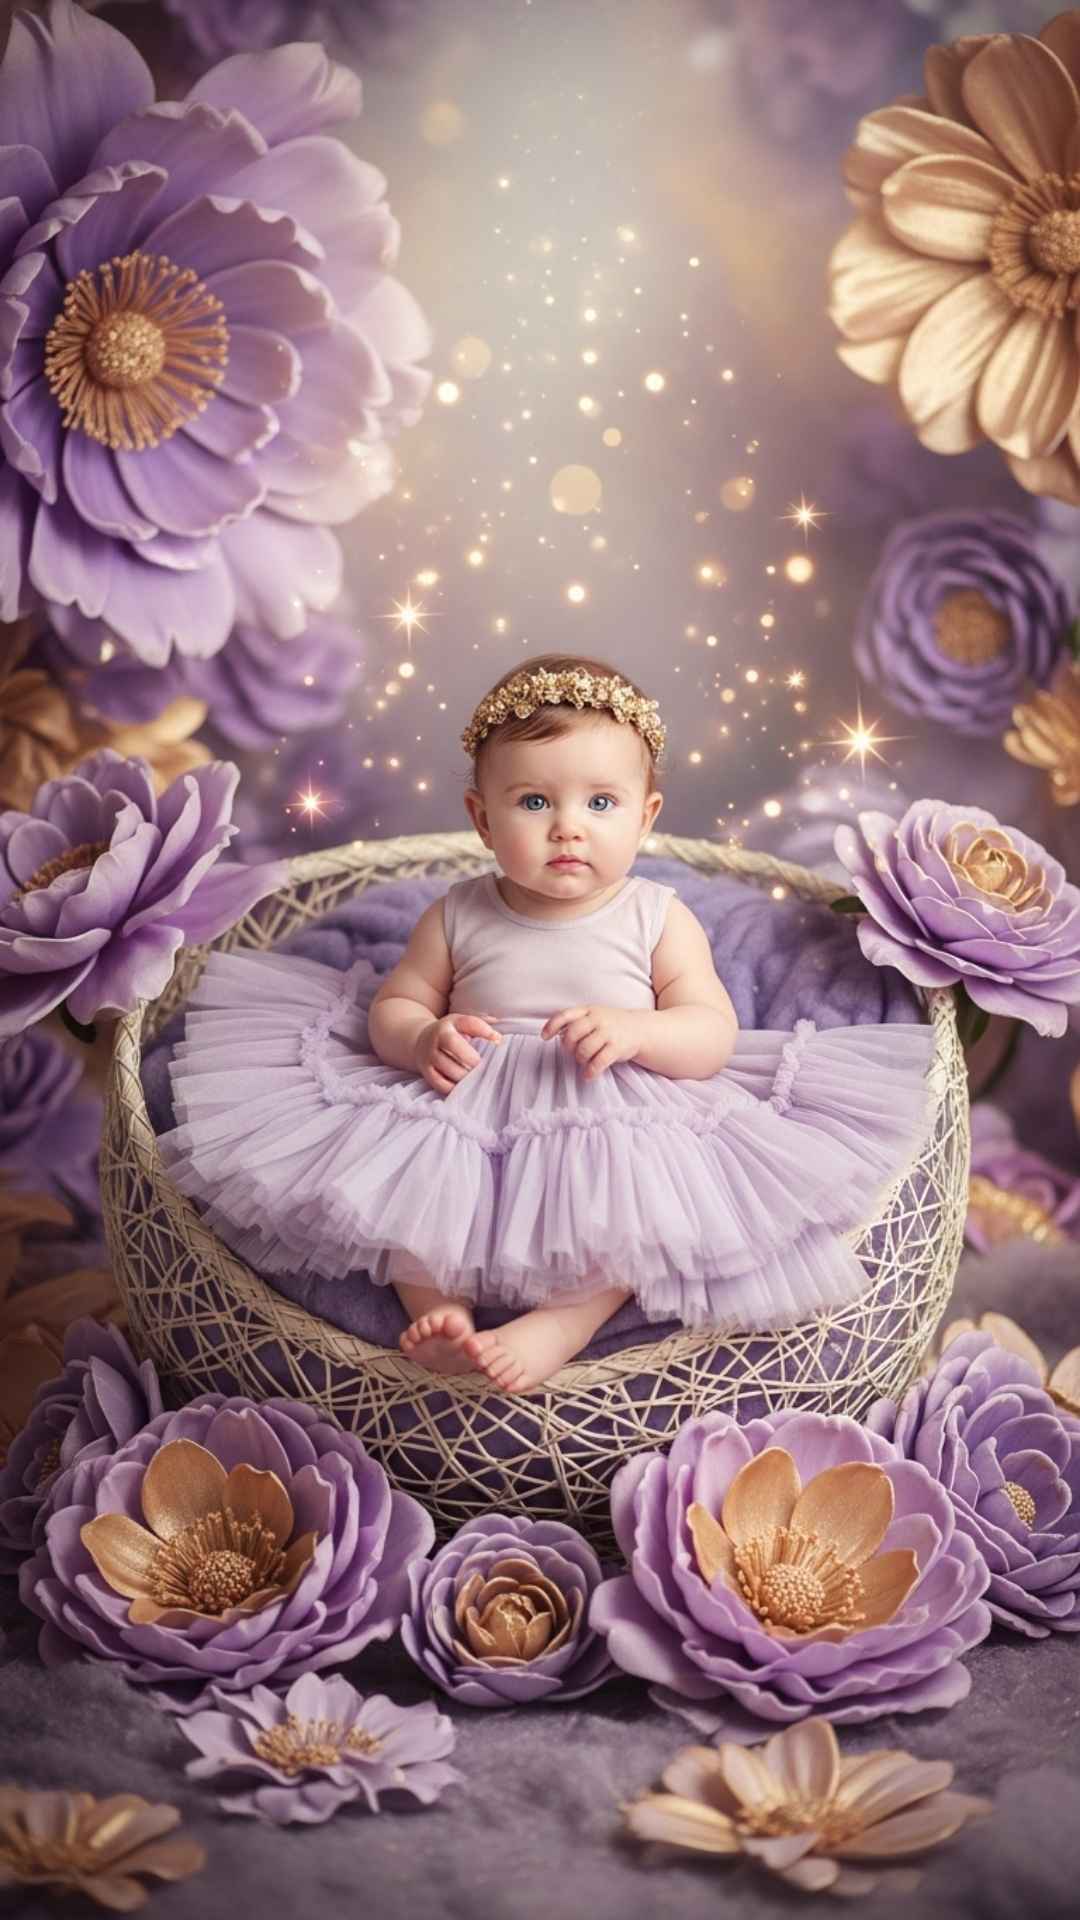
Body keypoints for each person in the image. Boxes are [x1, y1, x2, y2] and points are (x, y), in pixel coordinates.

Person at [160, 653, 934, 1392]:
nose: (568, 827)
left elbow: (711, 1034)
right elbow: (395, 1007)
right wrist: (426, 1038)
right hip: (465, 1101)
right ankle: (437, 1315)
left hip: (608, 1101)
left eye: (601, 803)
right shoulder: (457, 911)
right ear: (482, 819)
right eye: (534, 802)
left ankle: (559, 1327)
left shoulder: (660, 916)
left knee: (636, 1222)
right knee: (396, 1196)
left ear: (646, 815)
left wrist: (638, 1032)